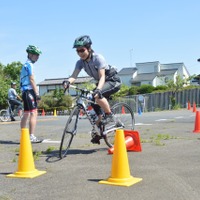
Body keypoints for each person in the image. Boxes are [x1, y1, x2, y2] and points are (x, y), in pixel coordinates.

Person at [63, 35, 121, 144]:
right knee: (92, 100)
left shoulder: (98, 58)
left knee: (97, 95)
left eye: (82, 50)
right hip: (101, 83)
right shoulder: (80, 62)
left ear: (89, 48)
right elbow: (74, 76)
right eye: (77, 51)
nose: (80, 53)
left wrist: (98, 90)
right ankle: (100, 129)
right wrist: (68, 81)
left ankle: (109, 115)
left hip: (112, 80)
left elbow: (102, 76)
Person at [20, 45, 42, 143]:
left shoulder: (25, 64)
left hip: (24, 91)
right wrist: (37, 93)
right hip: (29, 90)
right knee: (34, 113)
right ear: (30, 54)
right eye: (36, 55)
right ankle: (31, 136)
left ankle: (24, 135)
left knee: (26, 113)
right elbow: (32, 79)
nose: (37, 57)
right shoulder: (29, 65)